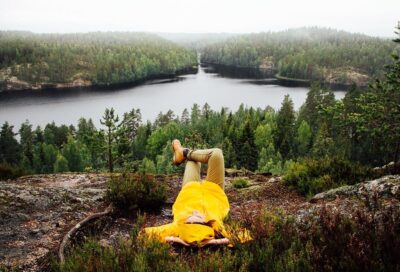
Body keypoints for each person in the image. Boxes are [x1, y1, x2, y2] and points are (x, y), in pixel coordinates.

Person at [144, 139, 249, 247]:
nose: (195, 214)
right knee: (217, 154)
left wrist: (175, 239)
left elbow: (143, 235)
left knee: (192, 162)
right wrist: (213, 242)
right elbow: (244, 236)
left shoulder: (177, 226)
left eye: (190, 222)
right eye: (199, 220)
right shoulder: (217, 226)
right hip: (214, 190)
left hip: (189, 188)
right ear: (206, 224)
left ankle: (182, 153)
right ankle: (185, 152)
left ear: (184, 225)